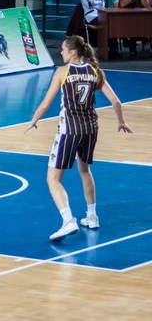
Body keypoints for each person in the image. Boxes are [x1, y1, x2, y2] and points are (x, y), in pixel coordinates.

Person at [25, 36, 132, 241]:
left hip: (69, 129)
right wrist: (121, 122)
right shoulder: (95, 71)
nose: (61, 53)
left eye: (63, 50)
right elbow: (116, 101)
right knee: (85, 171)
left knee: (53, 178)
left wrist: (34, 120)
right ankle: (92, 216)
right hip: (91, 128)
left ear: (73, 52)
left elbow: (46, 104)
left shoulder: (62, 72)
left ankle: (68, 221)